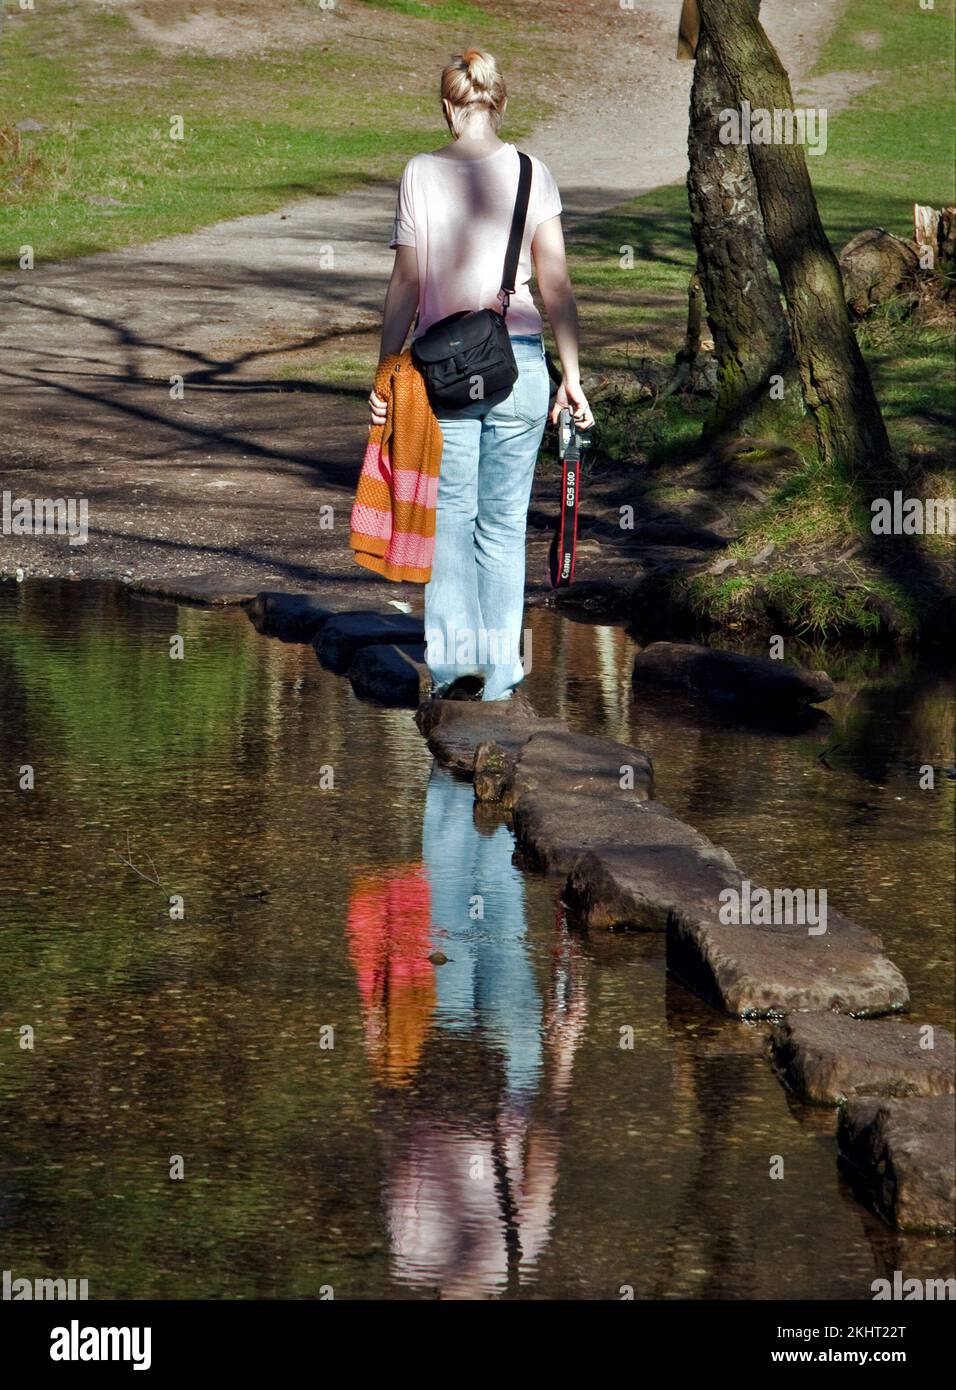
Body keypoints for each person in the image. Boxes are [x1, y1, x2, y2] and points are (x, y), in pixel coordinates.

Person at [370, 47, 593, 702]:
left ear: (447, 106)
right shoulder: (533, 173)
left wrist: (387, 370)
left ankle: (459, 669)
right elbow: (555, 283)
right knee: (503, 524)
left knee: (453, 518)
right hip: (520, 367)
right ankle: (500, 672)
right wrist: (572, 376)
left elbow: (407, 284)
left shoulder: (419, 173)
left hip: (446, 374)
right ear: (500, 104)